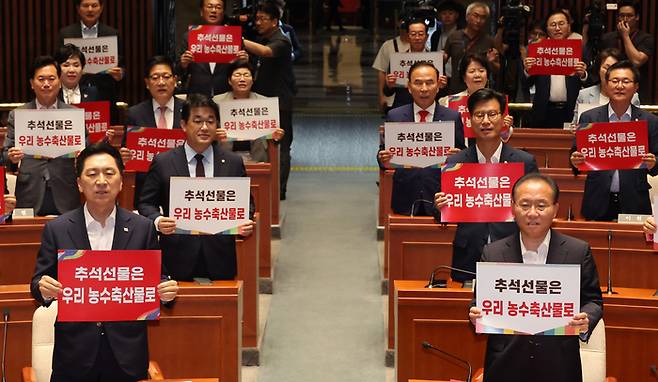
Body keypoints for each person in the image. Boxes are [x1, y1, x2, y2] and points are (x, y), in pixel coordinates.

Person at [31, 142, 179, 382]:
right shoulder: (57, 229)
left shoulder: (142, 228)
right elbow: (38, 283)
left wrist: (167, 290)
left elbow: (159, 279)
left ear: (121, 182)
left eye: (109, 173)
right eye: (92, 174)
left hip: (126, 355)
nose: (101, 181)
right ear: (79, 184)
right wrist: (44, 288)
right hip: (74, 356)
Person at [468, 173, 603, 381]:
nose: (532, 213)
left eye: (541, 206)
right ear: (513, 208)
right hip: (505, 365)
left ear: (555, 209)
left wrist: (586, 318)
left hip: (559, 364)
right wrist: (475, 315)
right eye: (525, 205)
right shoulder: (492, 253)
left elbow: (593, 301)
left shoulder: (578, 251)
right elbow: (479, 304)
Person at [138, 93, 255, 281]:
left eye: (210, 121)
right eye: (197, 121)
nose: (204, 127)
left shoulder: (232, 162)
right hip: (177, 254)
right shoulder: (163, 162)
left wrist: (245, 221)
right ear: (184, 125)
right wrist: (159, 221)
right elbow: (145, 204)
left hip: (220, 254)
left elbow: (247, 205)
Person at [434, 88, 537, 281]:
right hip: (468, 253)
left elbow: (537, 206)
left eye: (492, 114)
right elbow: (442, 215)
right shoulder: (455, 163)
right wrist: (439, 206)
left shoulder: (525, 162)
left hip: (513, 250)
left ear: (503, 118)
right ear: (470, 120)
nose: (486, 121)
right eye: (479, 115)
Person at [570, 60, 658, 221]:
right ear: (606, 84)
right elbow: (575, 158)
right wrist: (575, 161)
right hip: (597, 199)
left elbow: (657, 163)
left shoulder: (649, 121)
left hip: (634, 201)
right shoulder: (589, 118)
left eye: (626, 81)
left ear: (636, 87)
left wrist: (653, 163)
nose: (619, 86)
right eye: (615, 81)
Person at [377, 61, 465, 217]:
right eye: (418, 83)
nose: (424, 88)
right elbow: (383, 158)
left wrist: (457, 157)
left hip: (441, 197)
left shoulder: (452, 117)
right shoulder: (395, 116)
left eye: (429, 82)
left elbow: (464, 158)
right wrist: (382, 158)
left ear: (438, 86)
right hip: (405, 196)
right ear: (409, 87)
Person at [1, 56, 80, 216]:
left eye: (51, 79)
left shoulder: (73, 115)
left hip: (65, 190)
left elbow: (85, 155)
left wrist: (81, 155)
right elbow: (4, 154)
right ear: (32, 83)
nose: (46, 84)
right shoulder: (19, 115)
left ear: (59, 81)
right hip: (30, 190)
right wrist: (12, 156)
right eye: (41, 79)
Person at [243, 1, 296, 200]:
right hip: (262, 102)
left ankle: (279, 189)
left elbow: (266, 53)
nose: (257, 23)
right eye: (256, 19)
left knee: (280, 145)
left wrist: (236, 40)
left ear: (275, 21)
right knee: (263, 145)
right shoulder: (262, 39)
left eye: (263, 19)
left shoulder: (281, 41)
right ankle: (265, 184)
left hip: (279, 103)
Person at [119, 56, 185, 208]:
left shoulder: (188, 111)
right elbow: (126, 152)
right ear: (147, 84)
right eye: (155, 78)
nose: (161, 82)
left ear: (175, 80)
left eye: (166, 77)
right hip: (146, 188)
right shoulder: (135, 113)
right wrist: (124, 155)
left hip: (181, 183)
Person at [57, 0, 124, 124]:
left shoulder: (111, 34)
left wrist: (120, 74)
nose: (90, 9)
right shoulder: (66, 34)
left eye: (94, 5)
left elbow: (121, 65)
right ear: (78, 8)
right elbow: (59, 64)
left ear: (101, 8)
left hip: (104, 94)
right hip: (73, 93)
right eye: (85, 5)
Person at [524, 9, 588, 128]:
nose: (557, 28)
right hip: (543, 110)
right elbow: (526, 84)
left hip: (571, 109)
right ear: (547, 29)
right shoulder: (537, 49)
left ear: (569, 26)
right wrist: (528, 71)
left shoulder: (580, 49)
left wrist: (583, 75)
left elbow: (591, 82)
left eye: (561, 24)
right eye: (553, 25)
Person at [213, 60, 284, 162]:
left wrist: (276, 136)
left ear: (252, 80)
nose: (242, 79)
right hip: (225, 156)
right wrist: (214, 135)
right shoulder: (216, 102)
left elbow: (273, 137)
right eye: (237, 75)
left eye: (246, 75)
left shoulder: (264, 102)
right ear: (229, 80)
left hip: (257, 156)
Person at [177, 0, 248, 96]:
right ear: (201, 12)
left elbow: (242, 70)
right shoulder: (189, 37)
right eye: (210, 6)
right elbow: (177, 70)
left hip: (226, 94)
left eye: (218, 7)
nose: (214, 10)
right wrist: (183, 64)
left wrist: (244, 61)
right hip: (197, 95)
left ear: (223, 13)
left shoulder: (234, 37)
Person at [382, 19, 447, 109]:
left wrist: (442, 86)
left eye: (420, 34)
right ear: (408, 36)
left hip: (429, 108)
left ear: (427, 36)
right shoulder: (398, 60)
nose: (417, 38)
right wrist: (389, 85)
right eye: (413, 34)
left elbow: (443, 92)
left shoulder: (436, 60)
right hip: (402, 107)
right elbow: (387, 92)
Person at [600, 0, 654, 103]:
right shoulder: (607, 38)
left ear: (637, 17)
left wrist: (625, 36)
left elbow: (637, 61)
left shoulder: (646, 38)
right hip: (612, 89)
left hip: (637, 91)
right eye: (621, 16)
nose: (625, 19)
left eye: (629, 16)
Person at [442, 2, 499, 95]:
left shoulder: (489, 41)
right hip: (456, 89)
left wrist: (492, 62)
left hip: (480, 91)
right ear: (467, 17)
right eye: (475, 16)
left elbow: (498, 71)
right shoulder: (454, 36)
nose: (479, 20)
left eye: (483, 17)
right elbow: (442, 61)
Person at [573, 48, 640, 124]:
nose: (609, 72)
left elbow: (635, 125)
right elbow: (575, 125)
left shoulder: (632, 96)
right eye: (606, 67)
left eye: (614, 68)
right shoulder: (584, 95)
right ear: (598, 69)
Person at [372, 14, 411, 113]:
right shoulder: (388, 45)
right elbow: (381, 71)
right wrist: (381, 96)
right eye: (403, 23)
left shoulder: (423, 47)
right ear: (398, 23)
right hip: (391, 97)